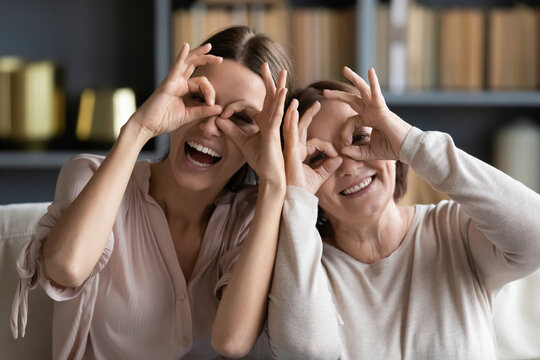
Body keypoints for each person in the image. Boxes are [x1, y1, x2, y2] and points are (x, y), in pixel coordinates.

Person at [11, 25, 292, 359]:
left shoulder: (252, 217)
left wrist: (275, 183)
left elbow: (233, 342)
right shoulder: (89, 175)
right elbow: (65, 267)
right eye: (198, 98)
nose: (209, 125)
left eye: (242, 118)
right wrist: (139, 128)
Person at [268, 67, 540, 359]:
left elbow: (534, 236)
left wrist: (411, 143)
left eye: (359, 138)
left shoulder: (454, 229)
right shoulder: (304, 266)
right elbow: (304, 350)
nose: (348, 166)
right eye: (318, 157)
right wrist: (297, 198)